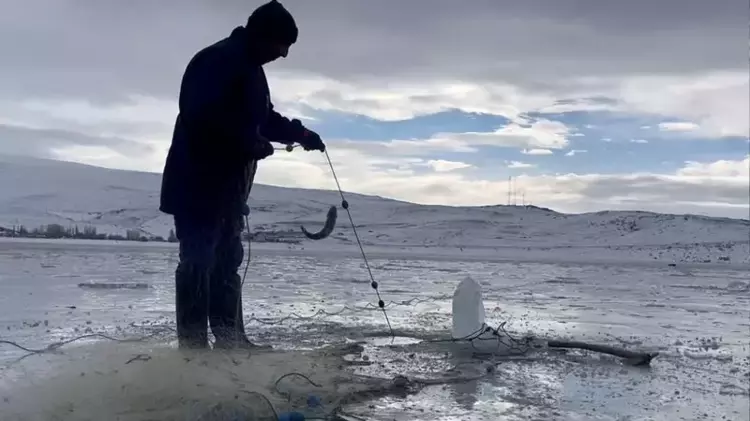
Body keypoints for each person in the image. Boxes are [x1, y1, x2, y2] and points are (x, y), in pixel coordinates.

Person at [159, 0, 326, 350]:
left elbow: (262, 117)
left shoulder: (250, 69)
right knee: (198, 262)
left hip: (228, 193)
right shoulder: (217, 60)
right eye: (283, 46)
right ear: (263, 36)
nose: (283, 55)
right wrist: (248, 142)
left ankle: (231, 339)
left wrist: (300, 134)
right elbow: (200, 113)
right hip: (197, 186)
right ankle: (192, 348)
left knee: (226, 264)